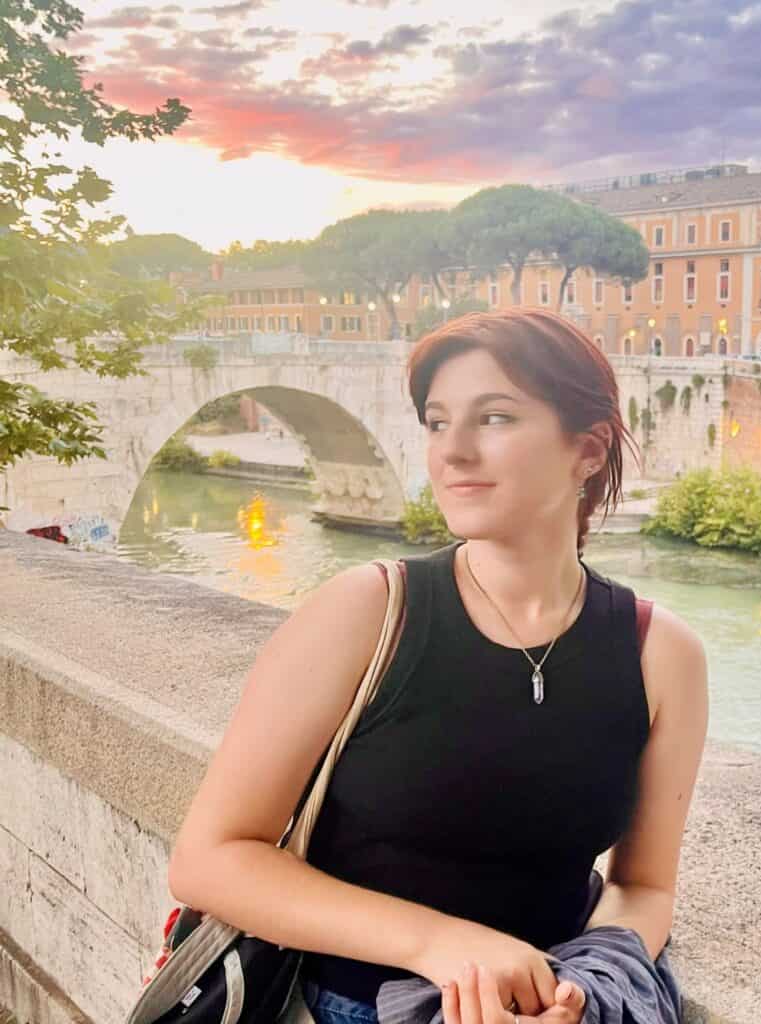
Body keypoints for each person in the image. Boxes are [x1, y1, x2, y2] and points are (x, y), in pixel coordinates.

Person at [166, 308, 709, 1024]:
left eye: (495, 418)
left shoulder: (660, 654)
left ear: (588, 449)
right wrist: (445, 945)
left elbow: (643, 886)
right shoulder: (366, 613)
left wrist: (583, 989)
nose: (452, 451)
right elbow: (209, 858)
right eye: (436, 422)